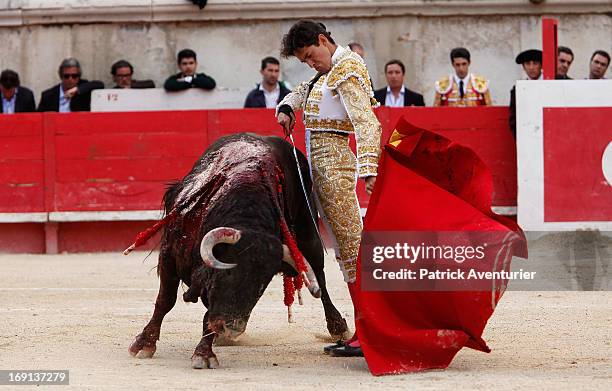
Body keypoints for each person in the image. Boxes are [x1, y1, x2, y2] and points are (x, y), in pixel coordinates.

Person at [276, 20, 381, 358]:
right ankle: (363, 330)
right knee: (345, 251)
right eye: (304, 61)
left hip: (335, 166)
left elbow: (367, 121)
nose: (310, 63)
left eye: (310, 56)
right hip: (323, 168)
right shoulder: (329, 70)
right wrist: (287, 106)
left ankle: (370, 332)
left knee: (353, 250)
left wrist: (369, 168)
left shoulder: (347, 67)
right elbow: (303, 91)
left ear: (323, 41)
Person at [37, 58, 104, 112]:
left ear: (79, 77)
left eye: (74, 76)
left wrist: (77, 89)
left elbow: (100, 85)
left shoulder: (84, 89)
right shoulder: (48, 96)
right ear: (61, 76)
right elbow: (38, 117)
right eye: (66, 76)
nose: (70, 79)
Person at [509, 49, 542, 137]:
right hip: (527, 136)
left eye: (535, 63)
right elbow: (513, 119)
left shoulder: (549, 85)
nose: (531, 67)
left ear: (541, 66)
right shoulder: (517, 89)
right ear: (523, 67)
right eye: (528, 64)